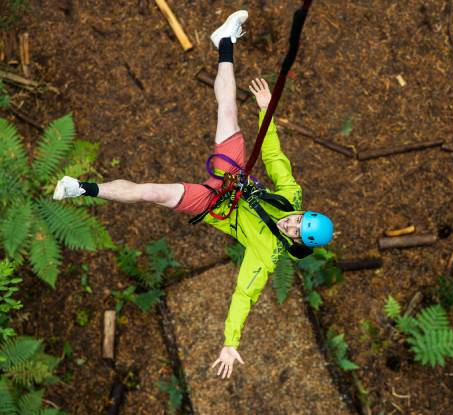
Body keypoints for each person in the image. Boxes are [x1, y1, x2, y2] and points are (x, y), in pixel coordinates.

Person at [52, 10, 333, 379]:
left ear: (296, 242)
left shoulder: (266, 256)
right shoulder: (291, 197)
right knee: (228, 110)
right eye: (300, 218)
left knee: (150, 193)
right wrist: (267, 113)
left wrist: (231, 341)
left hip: (215, 204)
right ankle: (225, 43)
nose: (292, 222)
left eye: (297, 229)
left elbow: (243, 297)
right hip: (234, 178)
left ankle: (79, 189)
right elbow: (274, 156)